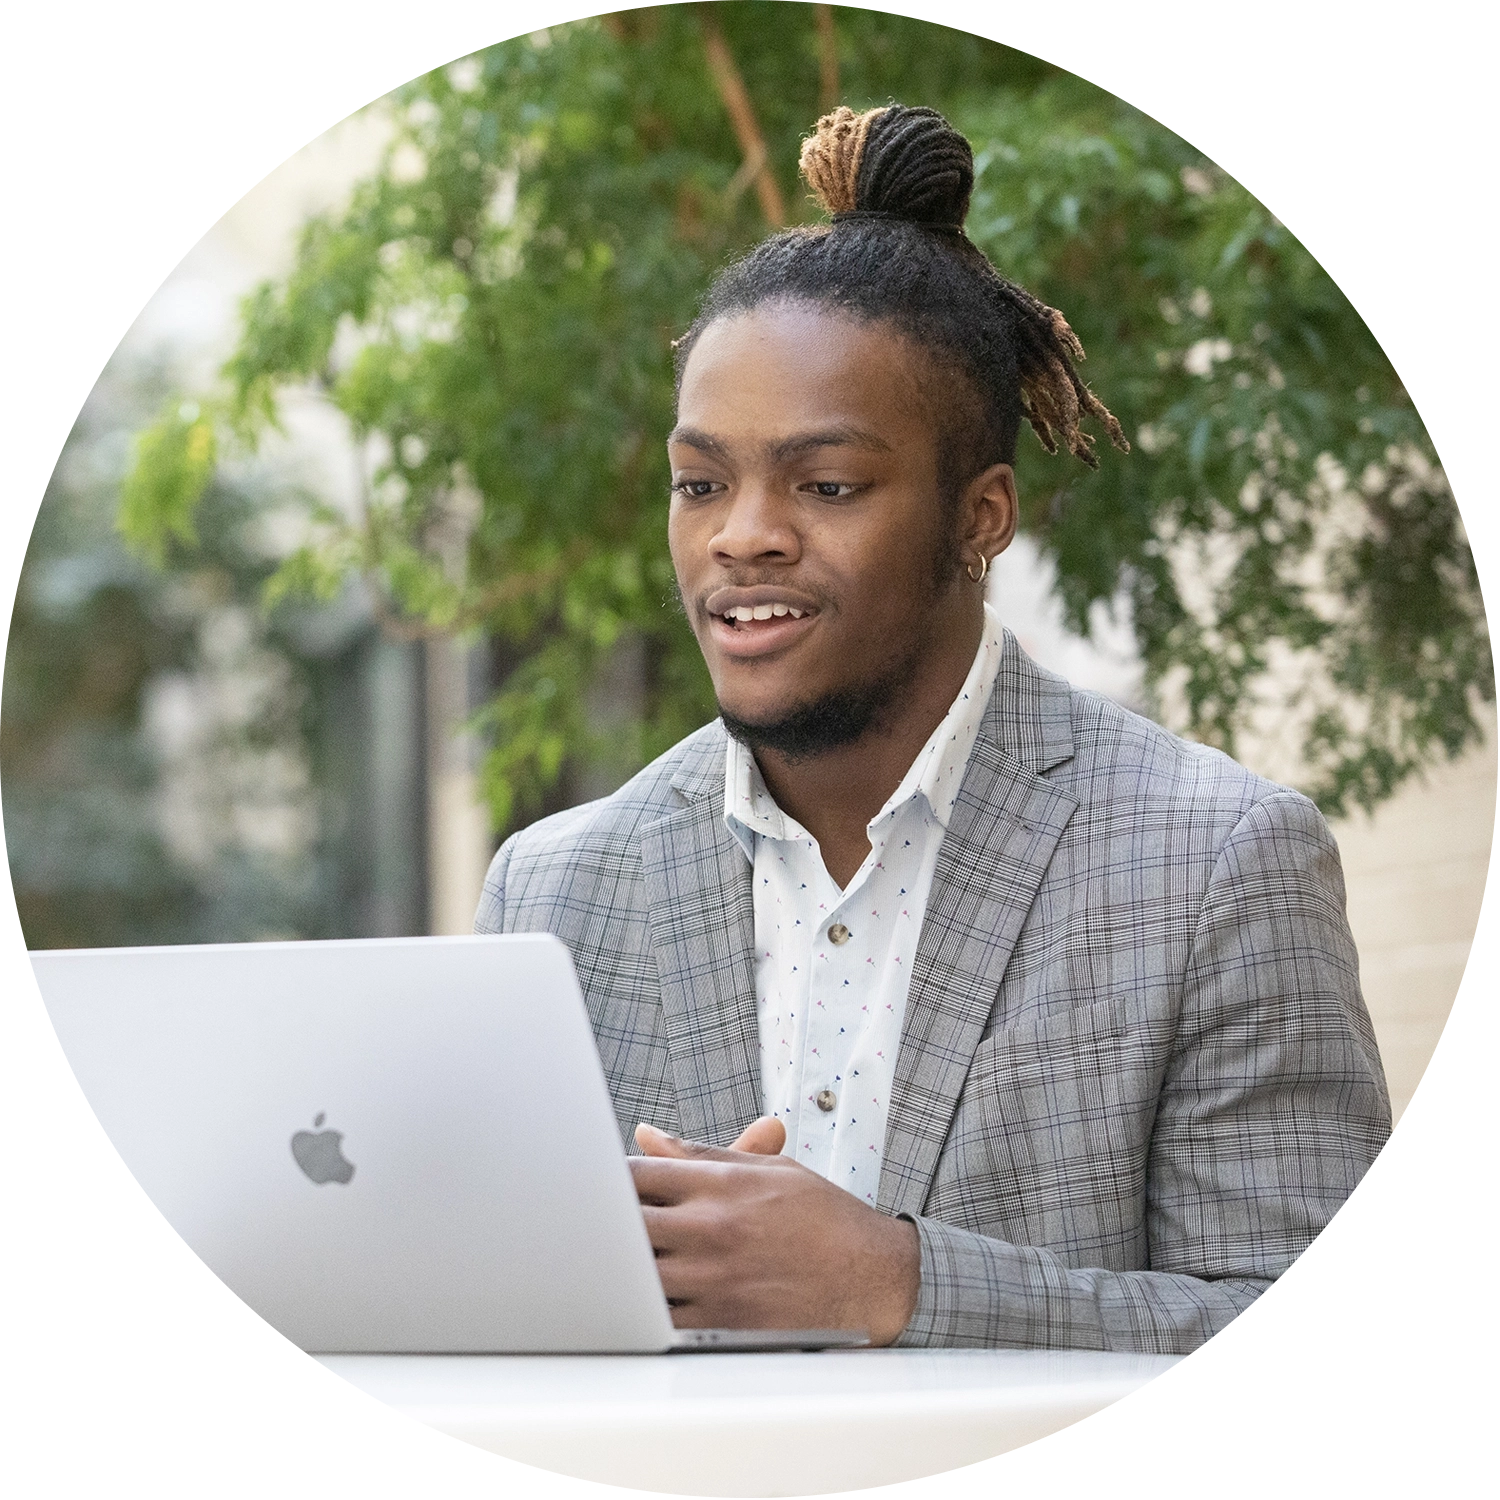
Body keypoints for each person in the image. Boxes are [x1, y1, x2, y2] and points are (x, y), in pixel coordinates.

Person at [474, 103, 1391, 1351]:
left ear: (983, 517)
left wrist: (896, 1284)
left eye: (827, 484)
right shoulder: (555, 891)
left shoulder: (1218, 864)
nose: (742, 535)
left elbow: (1328, 1351)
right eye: (702, 484)